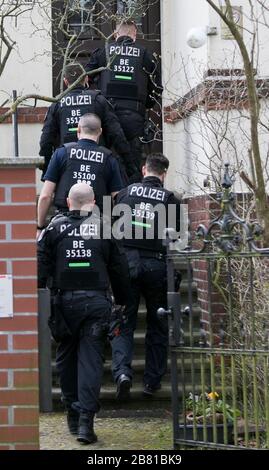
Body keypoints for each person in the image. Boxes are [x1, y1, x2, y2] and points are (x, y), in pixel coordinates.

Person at [37, 182, 130, 444]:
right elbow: (120, 269)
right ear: (94, 203)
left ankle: (72, 413)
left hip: (64, 304)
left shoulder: (53, 228)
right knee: (90, 361)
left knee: (66, 358)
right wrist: (122, 301)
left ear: (68, 202)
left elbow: (39, 266)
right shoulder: (105, 228)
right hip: (96, 304)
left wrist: (39, 291)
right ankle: (86, 424)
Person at [111, 153, 181, 401]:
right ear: (164, 174)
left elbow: (113, 233)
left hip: (127, 265)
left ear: (143, 170)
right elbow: (176, 241)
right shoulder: (171, 199)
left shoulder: (125, 193)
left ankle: (122, 373)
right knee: (158, 324)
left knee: (122, 321)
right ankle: (152, 381)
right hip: (157, 266)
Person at [86, 20, 163, 178]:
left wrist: (96, 98)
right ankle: (130, 197)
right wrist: (147, 104)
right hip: (133, 116)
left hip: (108, 116)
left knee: (104, 159)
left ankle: (107, 199)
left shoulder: (104, 52)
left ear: (115, 34)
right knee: (132, 163)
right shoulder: (145, 54)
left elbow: (85, 78)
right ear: (134, 34)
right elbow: (157, 87)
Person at [39, 62, 134, 178]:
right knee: (106, 195)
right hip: (99, 165)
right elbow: (117, 135)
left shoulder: (57, 105)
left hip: (68, 167)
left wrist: (48, 171)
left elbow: (45, 142)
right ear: (86, 78)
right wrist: (130, 166)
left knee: (68, 195)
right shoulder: (99, 101)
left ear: (65, 81)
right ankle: (106, 197)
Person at [37, 113, 123, 236]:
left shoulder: (61, 153)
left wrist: (39, 227)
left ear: (78, 130)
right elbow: (118, 198)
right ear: (100, 132)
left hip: (63, 225)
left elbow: (45, 196)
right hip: (97, 227)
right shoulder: (109, 159)